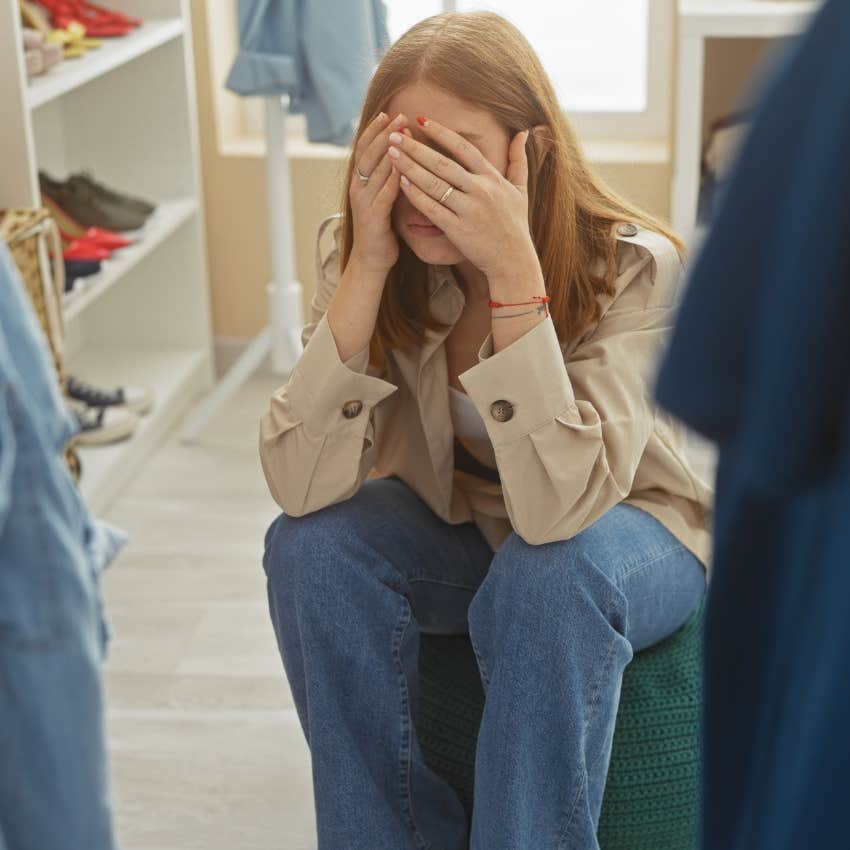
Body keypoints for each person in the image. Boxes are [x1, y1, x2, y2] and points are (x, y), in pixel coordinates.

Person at [259, 11, 712, 850]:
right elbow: (298, 484)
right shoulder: (366, 258)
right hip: (466, 526)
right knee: (306, 547)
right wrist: (364, 269)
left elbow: (557, 512)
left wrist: (512, 279)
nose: (424, 181)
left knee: (552, 574)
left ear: (527, 154)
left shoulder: (635, 268)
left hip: (626, 533)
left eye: (455, 151)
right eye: (402, 149)